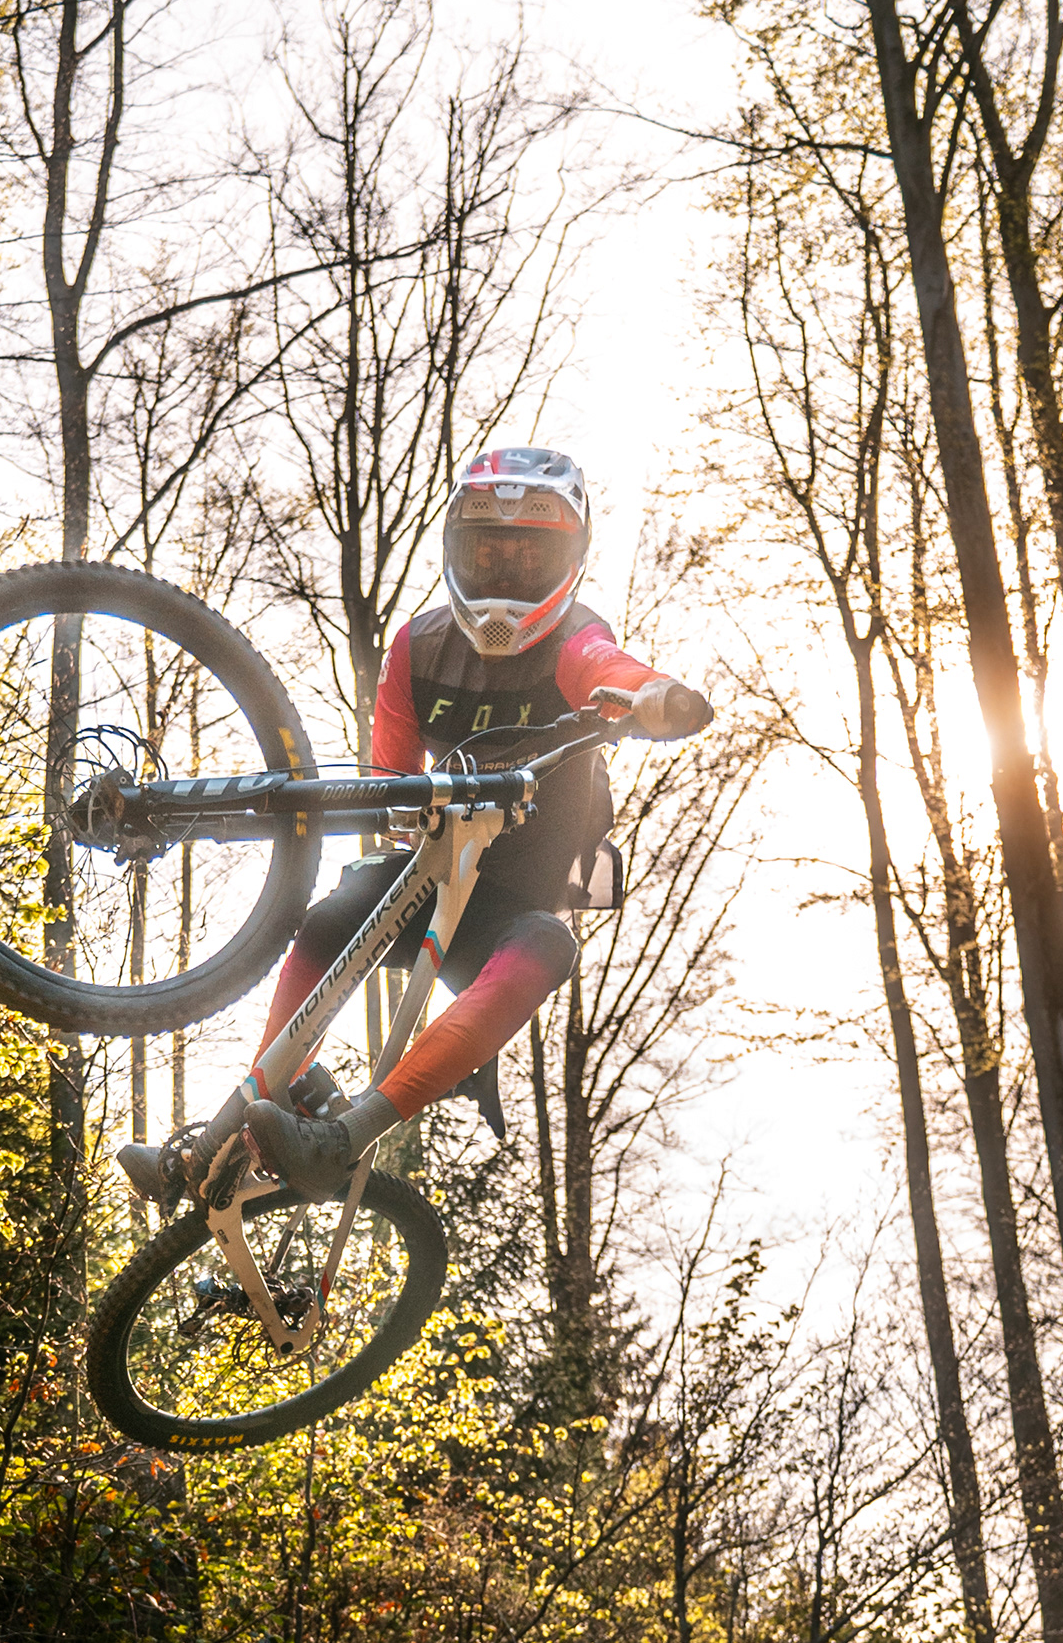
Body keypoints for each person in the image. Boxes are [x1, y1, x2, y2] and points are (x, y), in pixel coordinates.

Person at [119, 443, 711, 1207]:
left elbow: (608, 668)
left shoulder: (574, 643)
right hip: (430, 876)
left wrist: (655, 694)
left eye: (527, 561)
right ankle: (224, 1138)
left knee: (550, 944)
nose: (502, 577)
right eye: (486, 554)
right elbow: (388, 778)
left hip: (509, 906)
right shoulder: (419, 647)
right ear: (453, 551)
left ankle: (343, 1138)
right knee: (333, 914)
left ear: (569, 559)